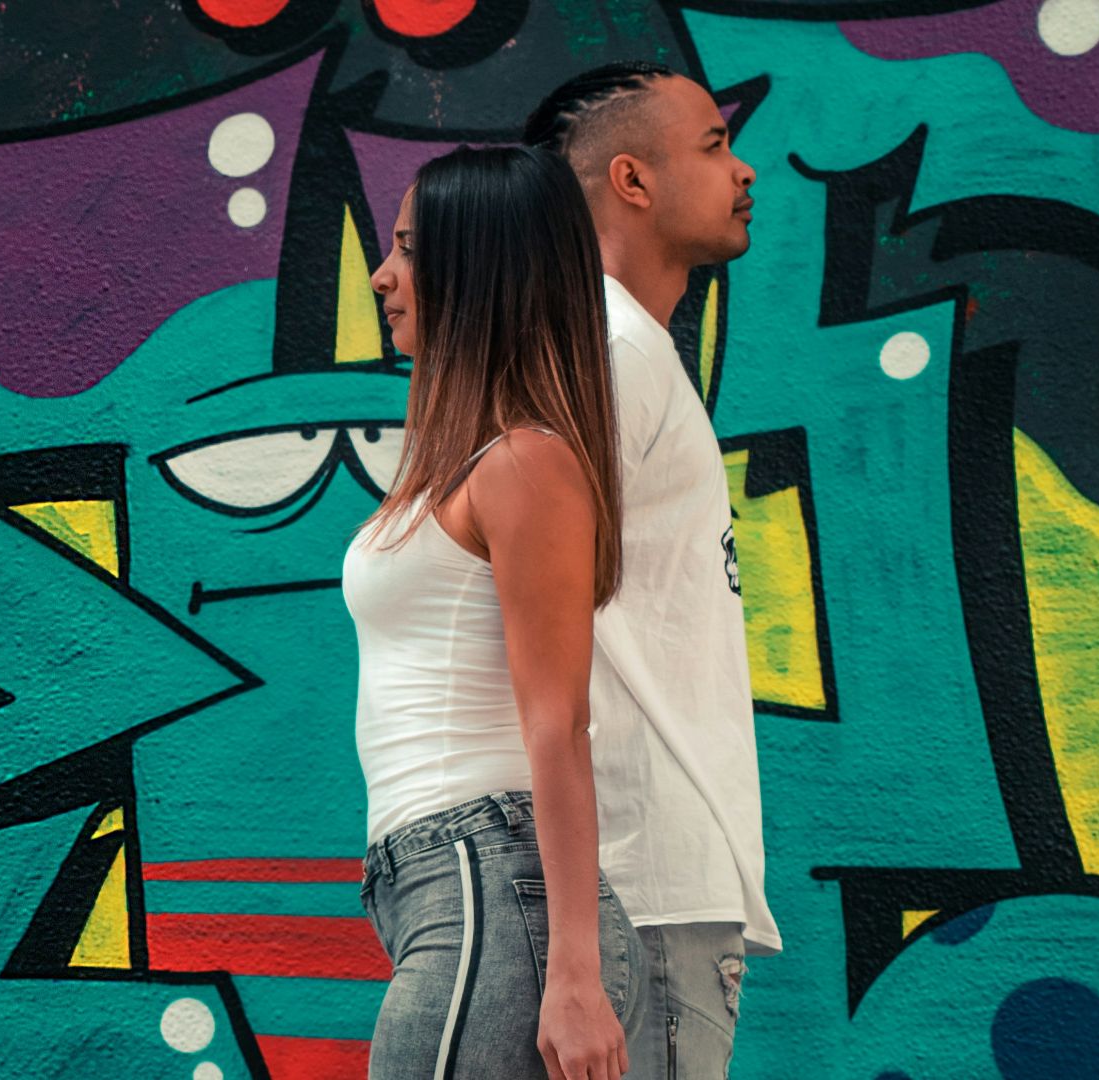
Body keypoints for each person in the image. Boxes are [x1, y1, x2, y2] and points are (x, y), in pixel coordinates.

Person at [346, 145, 640, 1080]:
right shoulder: (464, 465)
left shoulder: (525, 463)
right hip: (445, 890)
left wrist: (577, 976)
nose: (382, 276)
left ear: (479, 268)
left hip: (485, 884)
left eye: (408, 250)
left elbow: (560, 721)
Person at [524, 62, 780, 1078]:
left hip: (649, 896)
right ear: (631, 180)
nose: (745, 168)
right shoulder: (608, 356)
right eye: (714, 146)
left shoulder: (620, 351)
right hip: (643, 896)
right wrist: (577, 963)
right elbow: (527, 651)